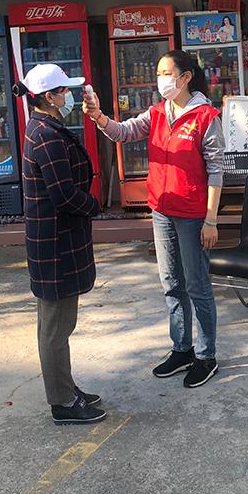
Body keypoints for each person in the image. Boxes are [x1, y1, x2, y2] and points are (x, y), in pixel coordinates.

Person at [83, 50, 225, 388]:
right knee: (171, 284)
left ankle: (206, 356)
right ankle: (181, 349)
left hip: (192, 215)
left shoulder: (206, 117)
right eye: (159, 73)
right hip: (161, 211)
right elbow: (123, 132)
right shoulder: (158, 113)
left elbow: (217, 170)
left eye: (166, 73)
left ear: (185, 77)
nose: (161, 79)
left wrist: (211, 220)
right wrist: (99, 116)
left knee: (197, 286)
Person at [14, 64, 105, 426]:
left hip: (54, 240)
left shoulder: (44, 127)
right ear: (49, 97)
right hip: (55, 243)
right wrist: (94, 205)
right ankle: (62, 402)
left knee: (58, 325)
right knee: (55, 328)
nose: (68, 96)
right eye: (64, 91)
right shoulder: (47, 136)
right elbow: (64, 195)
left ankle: (65, 388)